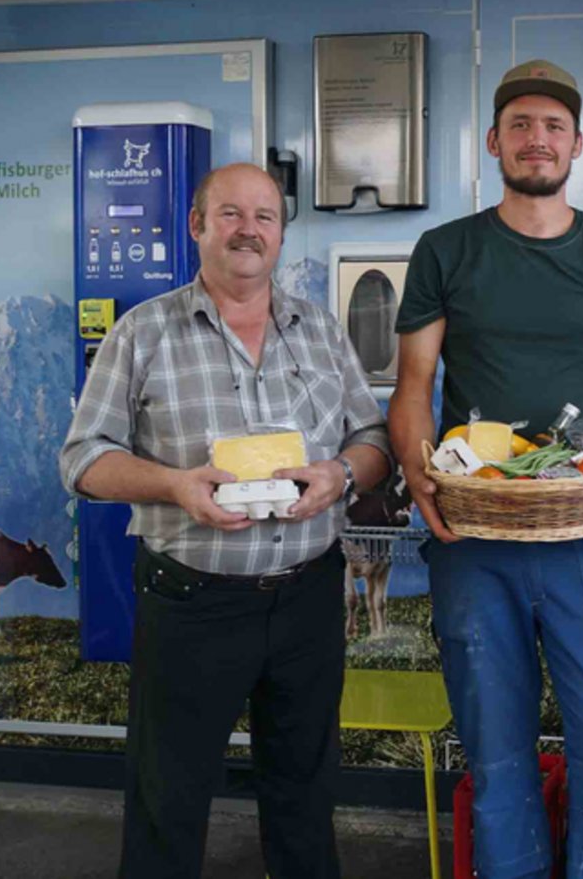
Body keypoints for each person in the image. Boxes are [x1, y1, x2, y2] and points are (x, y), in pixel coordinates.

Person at [59, 163, 391, 879]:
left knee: (305, 792)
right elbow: (82, 460)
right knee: (168, 798)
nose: (248, 230)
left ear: (280, 233)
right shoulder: (143, 331)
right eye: (231, 214)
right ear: (197, 225)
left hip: (308, 597)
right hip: (192, 601)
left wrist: (340, 474)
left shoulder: (320, 330)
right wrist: (175, 485)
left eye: (264, 216)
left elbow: (373, 438)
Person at [388, 59, 583, 878]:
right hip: (475, 538)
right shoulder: (446, 250)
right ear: (493, 142)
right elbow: (413, 386)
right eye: (520, 125)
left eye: (553, 127)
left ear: (577, 144)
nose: (536, 139)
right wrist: (419, 476)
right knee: (496, 756)